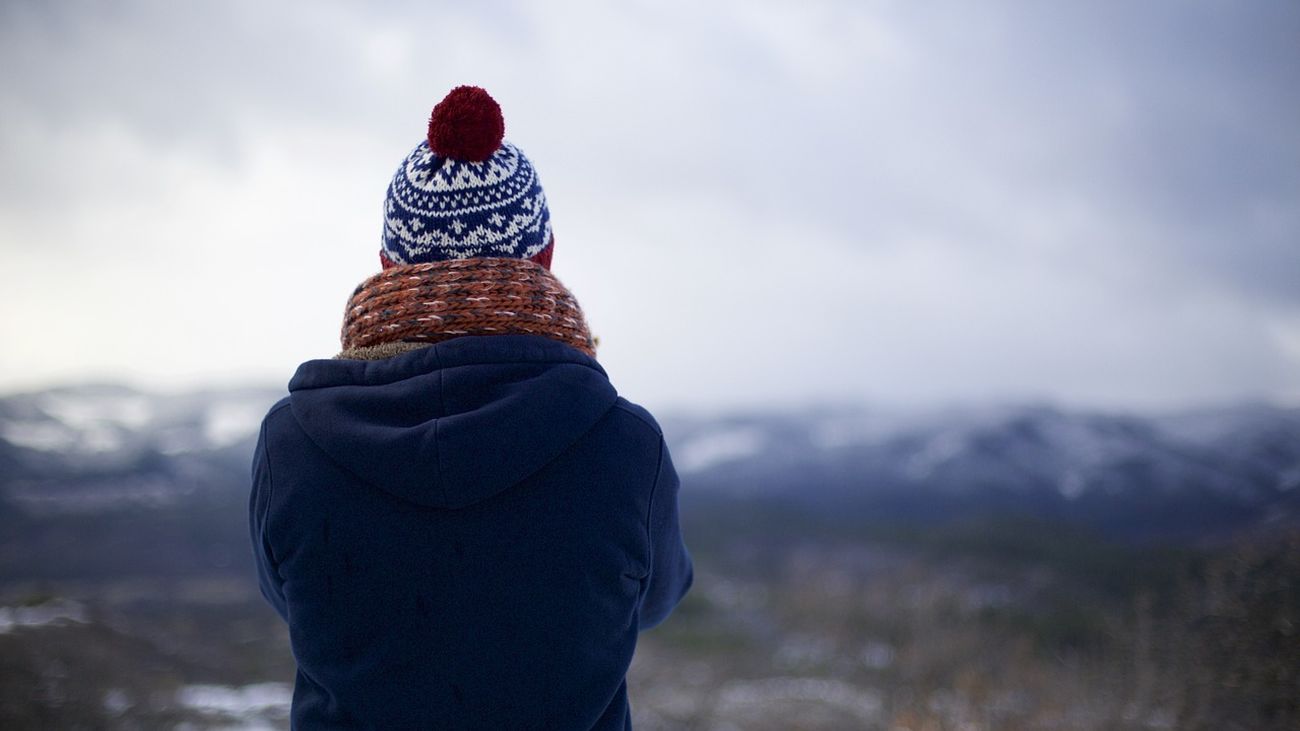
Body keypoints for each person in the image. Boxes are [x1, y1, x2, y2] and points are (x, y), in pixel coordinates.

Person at [248, 85, 693, 730]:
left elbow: (288, 596)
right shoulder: (626, 447)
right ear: (543, 259)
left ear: (386, 265)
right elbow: (653, 599)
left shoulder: (291, 444)